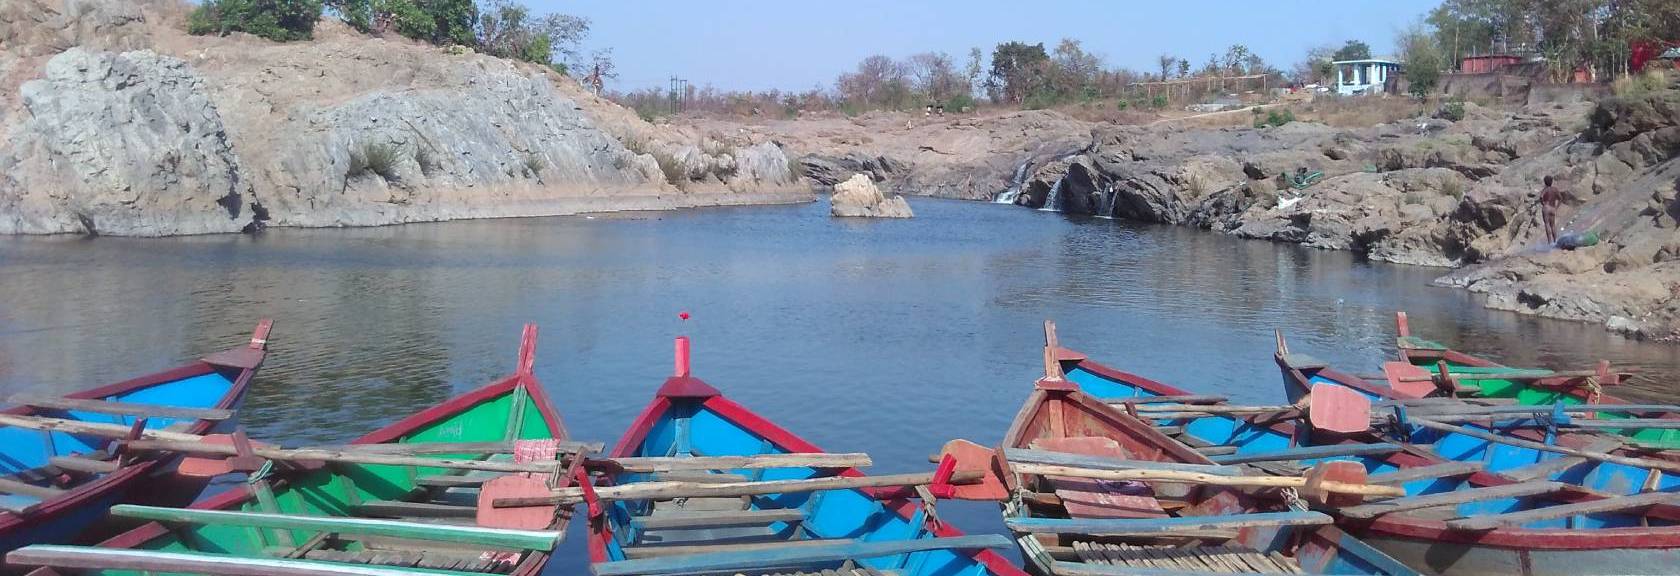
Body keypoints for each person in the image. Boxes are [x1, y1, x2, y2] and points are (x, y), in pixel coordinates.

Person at [1538, 175, 1562, 245]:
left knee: (1547, 224)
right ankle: (1555, 241)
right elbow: (1560, 198)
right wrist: (1556, 207)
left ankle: (1550, 242)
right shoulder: (1555, 189)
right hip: (1553, 208)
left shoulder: (1545, 189)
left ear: (1545, 182)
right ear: (1552, 182)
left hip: (1546, 207)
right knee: (1553, 225)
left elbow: (1541, 197)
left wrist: (1543, 204)